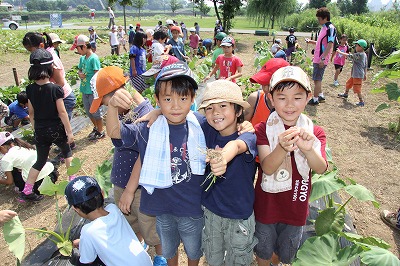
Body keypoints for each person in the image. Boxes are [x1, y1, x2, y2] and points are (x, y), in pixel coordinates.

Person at [88, 66, 168, 266]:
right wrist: (114, 107)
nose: (107, 108)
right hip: (122, 182)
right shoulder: (125, 111)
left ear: (119, 92)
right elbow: (115, 134)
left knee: (151, 227)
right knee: (130, 222)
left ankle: (160, 257)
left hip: (142, 188)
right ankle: (139, 249)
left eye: (106, 102)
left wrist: (130, 191)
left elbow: (141, 153)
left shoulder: (146, 116)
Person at [254, 66, 328, 266]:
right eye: (281, 97)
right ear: (270, 98)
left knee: (283, 250)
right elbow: (268, 168)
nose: (289, 105)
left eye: (297, 97)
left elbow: (321, 168)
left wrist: (308, 149)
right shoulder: (263, 129)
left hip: (296, 205)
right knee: (263, 249)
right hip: (266, 205)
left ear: (308, 97)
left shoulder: (315, 132)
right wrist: (282, 147)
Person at [198, 80, 258, 266]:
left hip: (238, 217)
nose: (216, 112)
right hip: (211, 212)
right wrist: (157, 111)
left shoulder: (247, 137)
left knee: (238, 260)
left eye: (223, 106)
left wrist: (223, 157)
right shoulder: (207, 128)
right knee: (213, 259)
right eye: (210, 108)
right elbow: (180, 113)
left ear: (238, 111)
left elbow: (236, 146)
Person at [21, 49, 74, 202]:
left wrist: (35, 127)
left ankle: (27, 190)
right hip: (56, 128)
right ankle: (73, 182)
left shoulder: (30, 89)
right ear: (50, 68)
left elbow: (31, 113)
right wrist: (69, 132)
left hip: (40, 130)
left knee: (40, 160)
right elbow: (62, 113)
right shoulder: (55, 89)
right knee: (67, 152)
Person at [65, 176, 153, 266]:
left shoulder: (88, 231)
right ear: (102, 194)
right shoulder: (114, 209)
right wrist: (83, 241)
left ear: (76, 209)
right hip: (146, 262)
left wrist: (83, 245)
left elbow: (87, 260)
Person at [23, 32, 77, 122]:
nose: (31, 53)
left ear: (41, 45)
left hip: (63, 98)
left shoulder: (51, 60)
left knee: (61, 128)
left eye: (31, 50)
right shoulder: (43, 57)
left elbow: (60, 83)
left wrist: (46, 95)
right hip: (55, 97)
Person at [0, 132, 57, 199]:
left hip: (38, 185)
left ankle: (25, 190)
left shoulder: (6, 158)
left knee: (13, 171)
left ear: (1, 147)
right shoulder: (24, 146)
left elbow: (9, 181)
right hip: (52, 175)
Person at [70, 34, 104, 140]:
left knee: (96, 113)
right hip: (85, 89)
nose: (77, 51)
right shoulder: (82, 58)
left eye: (78, 48)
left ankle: (100, 131)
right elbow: (79, 69)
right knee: (89, 112)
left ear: (84, 47)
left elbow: (97, 75)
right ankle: (96, 127)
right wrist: (80, 73)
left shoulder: (94, 58)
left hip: (93, 91)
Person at [305, 7, 336, 105]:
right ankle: (321, 95)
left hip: (321, 59)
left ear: (325, 18)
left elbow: (330, 44)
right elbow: (321, 43)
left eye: (319, 19)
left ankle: (315, 99)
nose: (318, 21)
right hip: (318, 57)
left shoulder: (330, 28)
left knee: (317, 79)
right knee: (316, 78)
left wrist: (323, 58)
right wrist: (311, 42)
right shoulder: (324, 28)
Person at [246, 58, 290, 125]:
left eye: (270, 85)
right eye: (263, 84)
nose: (266, 89)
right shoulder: (255, 100)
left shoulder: (291, 109)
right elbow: (239, 125)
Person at [337, 39, 368, 107]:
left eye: (356, 46)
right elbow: (365, 65)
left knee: (357, 89)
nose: (355, 47)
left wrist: (340, 52)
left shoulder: (360, 55)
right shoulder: (364, 54)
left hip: (358, 75)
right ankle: (346, 94)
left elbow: (350, 56)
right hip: (355, 74)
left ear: (361, 47)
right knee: (348, 83)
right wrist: (365, 74)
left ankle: (361, 101)